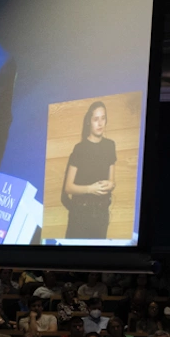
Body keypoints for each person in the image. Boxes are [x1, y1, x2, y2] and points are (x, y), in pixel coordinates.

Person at [60, 102, 117, 239]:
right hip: (79, 215)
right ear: (89, 122)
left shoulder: (110, 146)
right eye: (96, 119)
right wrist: (90, 189)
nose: (100, 123)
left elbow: (112, 181)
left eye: (103, 118)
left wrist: (111, 185)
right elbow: (68, 188)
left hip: (101, 215)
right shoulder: (79, 149)